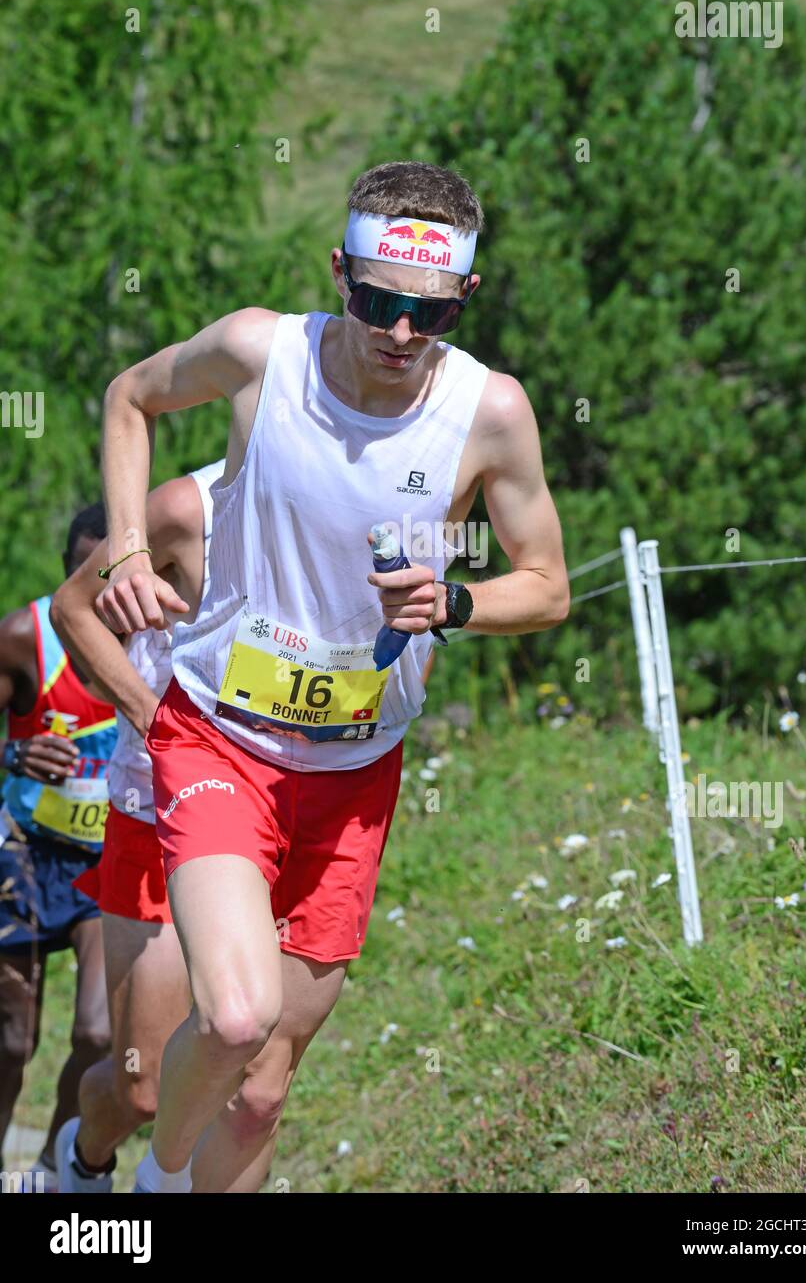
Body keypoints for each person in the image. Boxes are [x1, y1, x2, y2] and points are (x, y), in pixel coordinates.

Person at [96, 159, 570, 1193]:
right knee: (232, 1015)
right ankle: (153, 1185)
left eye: (427, 312)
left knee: (262, 1090)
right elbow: (129, 398)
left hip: (357, 775)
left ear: (465, 299)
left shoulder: (490, 411)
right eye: (375, 301)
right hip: (219, 733)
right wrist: (128, 548)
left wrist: (455, 603)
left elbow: (547, 585)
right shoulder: (263, 350)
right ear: (338, 274)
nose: (399, 332)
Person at [47, 462, 223, 1193]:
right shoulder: (192, 507)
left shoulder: (354, 499)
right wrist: (164, 732)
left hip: (286, 811)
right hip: (156, 812)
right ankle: (84, 1156)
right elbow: (74, 611)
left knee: (248, 1083)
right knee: (142, 1087)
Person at [0, 506, 116, 1190]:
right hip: (20, 852)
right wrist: (15, 754)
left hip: (107, 860)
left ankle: (54, 1173)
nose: (101, 594)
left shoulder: (166, 639)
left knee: (100, 1036)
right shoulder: (23, 636)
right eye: (84, 575)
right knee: (12, 1039)